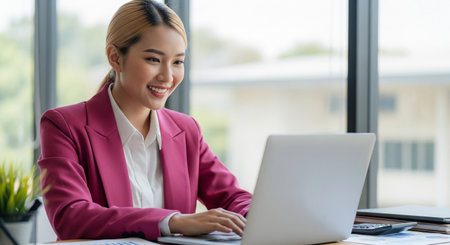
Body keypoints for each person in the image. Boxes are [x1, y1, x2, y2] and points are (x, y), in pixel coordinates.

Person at [38, 0, 252, 241]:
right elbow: (71, 217)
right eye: (153, 59)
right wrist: (173, 221)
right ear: (115, 58)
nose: (168, 76)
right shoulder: (64, 125)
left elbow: (234, 197)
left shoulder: (186, 130)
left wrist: (258, 215)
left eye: (178, 62)